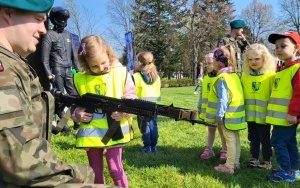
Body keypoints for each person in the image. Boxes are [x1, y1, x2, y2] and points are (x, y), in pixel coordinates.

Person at [0, 0, 117, 187]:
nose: (43, 29)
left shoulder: (13, 63)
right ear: (8, 13)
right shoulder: (4, 70)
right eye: (38, 19)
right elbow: (18, 161)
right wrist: (82, 174)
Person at [71, 35, 137, 187]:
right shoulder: (79, 79)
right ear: (85, 63)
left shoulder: (121, 73)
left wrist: (124, 111)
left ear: (109, 54)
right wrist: (77, 114)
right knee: (95, 172)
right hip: (92, 135)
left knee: (115, 169)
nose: (100, 68)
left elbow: (131, 98)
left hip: (115, 131)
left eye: (103, 63)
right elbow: (73, 104)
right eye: (94, 66)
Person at [205, 46, 247, 174]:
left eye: (213, 61)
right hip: (236, 114)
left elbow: (223, 99)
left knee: (230, 140)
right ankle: (235, 162)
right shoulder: (233, 76)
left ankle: (229, 166)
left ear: (218, 63)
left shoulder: (221, 78)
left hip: (227, 115)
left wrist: (219, 115)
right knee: (235, 138)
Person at [265, 31, 300, 183]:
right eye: (276, 46)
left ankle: (285, 172)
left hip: (287, 117)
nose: (278, 49)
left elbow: (298, 94)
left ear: (296, 48)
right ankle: (294, 169)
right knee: (290, 142)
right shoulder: (282, 69)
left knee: (278, 142)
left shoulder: (296, 69)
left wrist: (293, 113)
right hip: (281, 117)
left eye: (283, 46)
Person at [41, 6, 80, 131]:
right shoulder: (49, 35)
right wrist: (48, 74)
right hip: (56, 70)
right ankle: (62, 125)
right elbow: (44, 58)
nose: (63, 21)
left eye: (65, 19)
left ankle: (75, 119)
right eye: (60, 18)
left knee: (74, 96)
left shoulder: (68, 35)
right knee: (60, 97)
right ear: (54, 19)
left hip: (69, 70)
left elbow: (74, 55)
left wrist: (79, 71)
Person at [241, 43, 276, 169]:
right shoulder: (245, 76)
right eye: (250, 59)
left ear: (265, 59)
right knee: (253, 137)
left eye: (257, 59)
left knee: (265, 138)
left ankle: (267, 160)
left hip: (264, 115)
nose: (253, 62)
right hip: (250, 114)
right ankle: (254, 157)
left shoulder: (271, 76)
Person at [198, 52, 227, 161]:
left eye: (210, 63)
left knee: (222, 130)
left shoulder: (220, 78)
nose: (207, 66)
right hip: (208, 110)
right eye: (206, 63)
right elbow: (202, 93)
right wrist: (199, 105)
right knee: (211, 130)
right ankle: (209, 149)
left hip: (218, 111)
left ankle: (225, 150)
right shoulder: (205, 78)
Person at [132, 51, 161, 153]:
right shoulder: (156, 76)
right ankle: (153, 146)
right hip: (154, 105)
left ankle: (147, 146)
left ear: (139, 62)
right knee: (153, 125)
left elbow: (132, 92)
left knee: (144, 126)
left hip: (142, 105)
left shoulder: (136, 76)